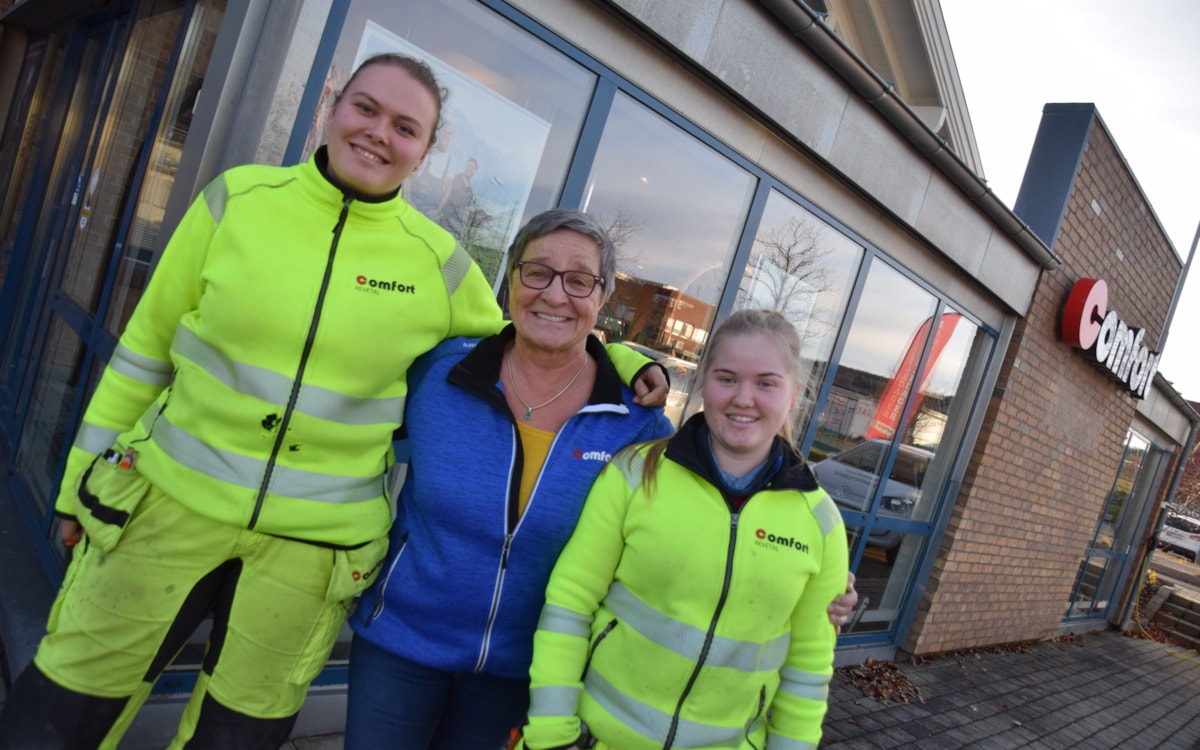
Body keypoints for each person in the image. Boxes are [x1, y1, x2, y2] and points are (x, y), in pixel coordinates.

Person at [0, 55, 665, 750]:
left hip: (310, 555)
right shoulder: (238, 201)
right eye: (366, 108)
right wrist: (79, 482)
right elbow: (142, 353)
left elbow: (530, 333)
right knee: (59, 713)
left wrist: (620, 360)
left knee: (237, 737)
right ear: (331, 104)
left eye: (406, 127)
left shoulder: (440, 265)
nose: (379, 133)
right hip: (168, 509)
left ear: (425, 153)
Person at [521, 309, 851, 750]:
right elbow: (569, 604)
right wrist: (550, 734)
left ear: (794, 397)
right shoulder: (635, 474)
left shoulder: (821, 524)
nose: (743, 398)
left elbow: (809, 671)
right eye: (727, 378)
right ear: (702, 384)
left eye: (766, 382)